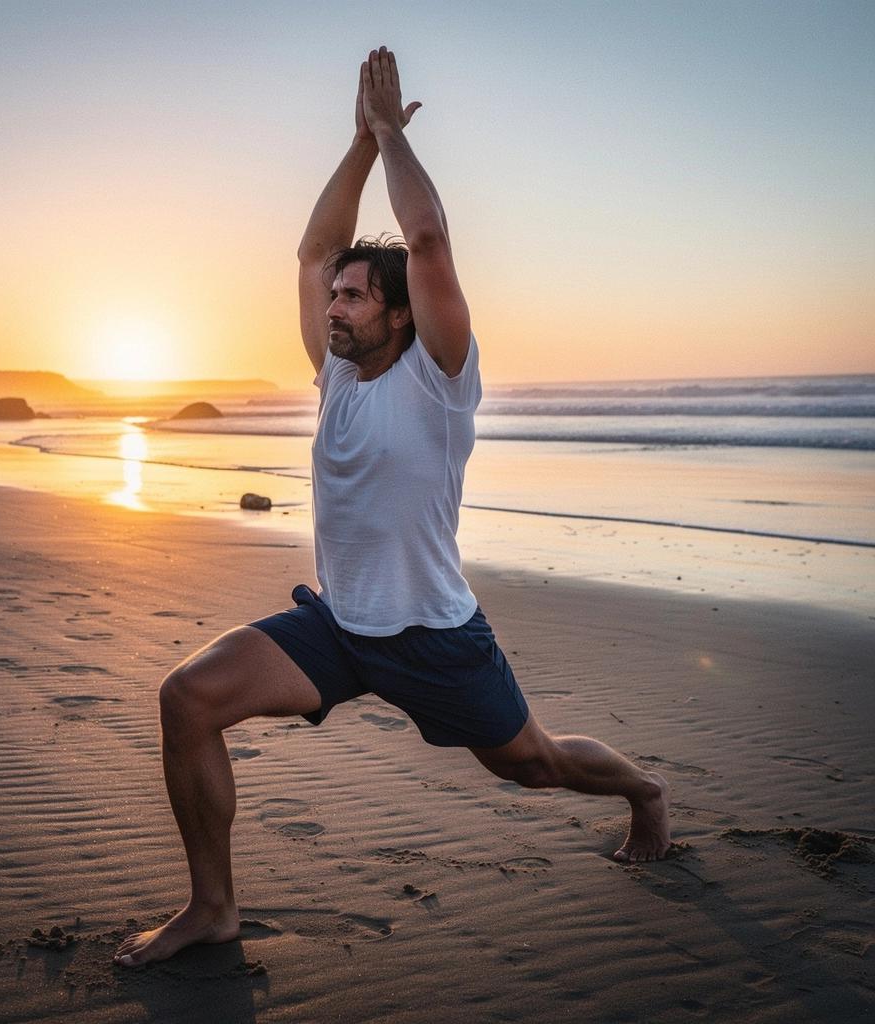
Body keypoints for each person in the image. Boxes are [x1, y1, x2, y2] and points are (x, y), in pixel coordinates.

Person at [114, 46, 671, 969]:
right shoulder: (335, 372)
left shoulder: (442, 378)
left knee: (535, 763)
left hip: (435, 637)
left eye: (354, 296)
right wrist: (356, 147)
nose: (332, 304)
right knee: (187, 699)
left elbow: (431, 245)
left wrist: (391, 135)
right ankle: (212, 909)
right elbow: (309, 248)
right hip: (338, 626)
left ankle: (644, 790)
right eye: (333, 294)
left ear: (401, 315)